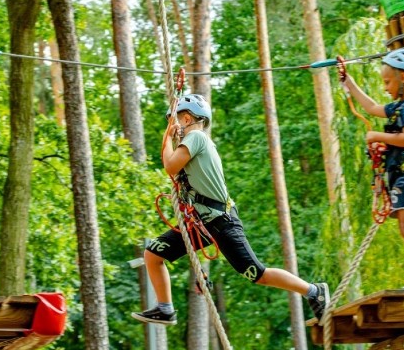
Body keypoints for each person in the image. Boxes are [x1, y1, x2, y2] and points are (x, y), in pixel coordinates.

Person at [132, 93, 330, 325]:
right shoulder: (194, 141)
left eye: (175, 121)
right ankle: (165, 309)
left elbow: (170, 166)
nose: (173, 126)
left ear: (186, 119)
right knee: (153, 253)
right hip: (202, 223)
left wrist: (166, 138)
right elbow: (176, 171)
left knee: (257, 274)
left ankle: (314, 291)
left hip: (220, 221)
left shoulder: (196, 137)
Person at [341, 48, 404, 290]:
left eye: (387, 81)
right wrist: (349, 83)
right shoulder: (399, 106)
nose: (384, 87)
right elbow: (371, 108)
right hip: (401, 175)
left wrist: (376, 136)